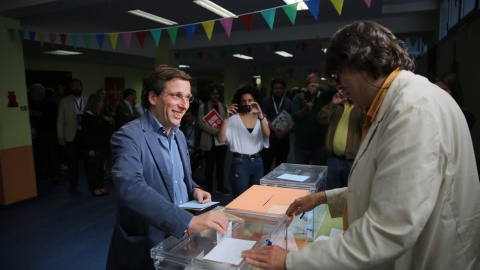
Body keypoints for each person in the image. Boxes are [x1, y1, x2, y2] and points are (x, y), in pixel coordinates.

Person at [242, 21, 480, 270]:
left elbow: (388, 229)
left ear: (362, 64)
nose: (339, 87)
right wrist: (323, 198)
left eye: (338, 75)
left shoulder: (413, 109)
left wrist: (290, 260)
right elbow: (390, 188)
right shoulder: (406, 99)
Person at [106, 65, 229, 270]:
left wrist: (194, 188)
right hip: (148, 245)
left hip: (181, 240)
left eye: (188, 97)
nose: (184, 105)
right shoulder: (128, 136)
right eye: (176, 96)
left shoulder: (178, 134)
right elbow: (130, 186)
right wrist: (187, 222)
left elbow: (177, 176)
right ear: (153, 97)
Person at [218, 86, 270, 198]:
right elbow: (221, 139)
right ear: (239, 103)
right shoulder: (233, 119)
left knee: (257, 198)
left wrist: (260, 115)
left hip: (258, 161)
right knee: (239, 199)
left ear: (255, 101)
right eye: (244, 101)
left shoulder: (261, 118)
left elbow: (267, 134)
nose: (247, 103)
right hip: (240, 162)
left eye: (250, 100)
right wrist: (226, 118)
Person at [317, 90, 366, 190]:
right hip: (333, 159)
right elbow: (321, 119)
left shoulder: (361, 107)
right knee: (330, 194)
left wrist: (362, 105)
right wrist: (332, 104)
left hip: (352, 160)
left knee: (350, 194)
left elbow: (366, 126)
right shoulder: (338, 105)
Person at [291, 73, 335, 165]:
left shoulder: (324, 97)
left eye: (315, 84)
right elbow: (295, 117)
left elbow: (336, 91)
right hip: (301, 144)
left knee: (319, 173)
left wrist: (320, 86)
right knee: (301, 173)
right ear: (305, 84)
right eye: (310, 84)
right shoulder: (299, 97)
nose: (313, 87)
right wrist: (305, 109)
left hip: (319, 144)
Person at [197, 84, 230, 195]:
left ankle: (220, 187)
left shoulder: (224, 106)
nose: (215, 96)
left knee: (221, 166)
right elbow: (201, 124)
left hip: (221, 143)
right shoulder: (204, 107)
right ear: (210, 94)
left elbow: (228, 121)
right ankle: (209, 189)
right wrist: (216, 131)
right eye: (213, 93)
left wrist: (221, 132)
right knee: (209, 167)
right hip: (208, 141)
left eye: (217, 93)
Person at [57, 79, 85, 193]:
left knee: (88, 161)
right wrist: (60, 136)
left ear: (81, 86)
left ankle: (94, 185)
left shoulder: (87, 100)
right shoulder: (65, 101)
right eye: (73, 86)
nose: (76, 87)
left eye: (78, 85)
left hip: (84, 135)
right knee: (72, 162)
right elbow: (60, 120)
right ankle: (73, 186)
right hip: (70, 135)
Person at [261, 78, 293, 174]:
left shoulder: (288, 102)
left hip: (284, 139)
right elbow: (264, 117)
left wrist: (286, 131)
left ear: (283, 89)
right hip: (269, 140)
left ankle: (279, 188)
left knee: (282, 167)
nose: (278, 90)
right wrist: (275, 130)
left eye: (280, 88)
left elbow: (293, 120)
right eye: (276, 88)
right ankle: (264, 188)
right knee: (266, 166)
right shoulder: (266, 101)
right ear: (272, 89)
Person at [81, 93, 110, 196]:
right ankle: (94, 187)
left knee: (100, 167)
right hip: (93, 147)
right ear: (96, 102)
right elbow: (85, 134)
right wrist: (89, 148)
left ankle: (100, 186)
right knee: (93, 168)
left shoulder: (100, 114)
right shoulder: (87, 116)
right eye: (101, 101)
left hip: (101, 146)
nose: (103, 103)